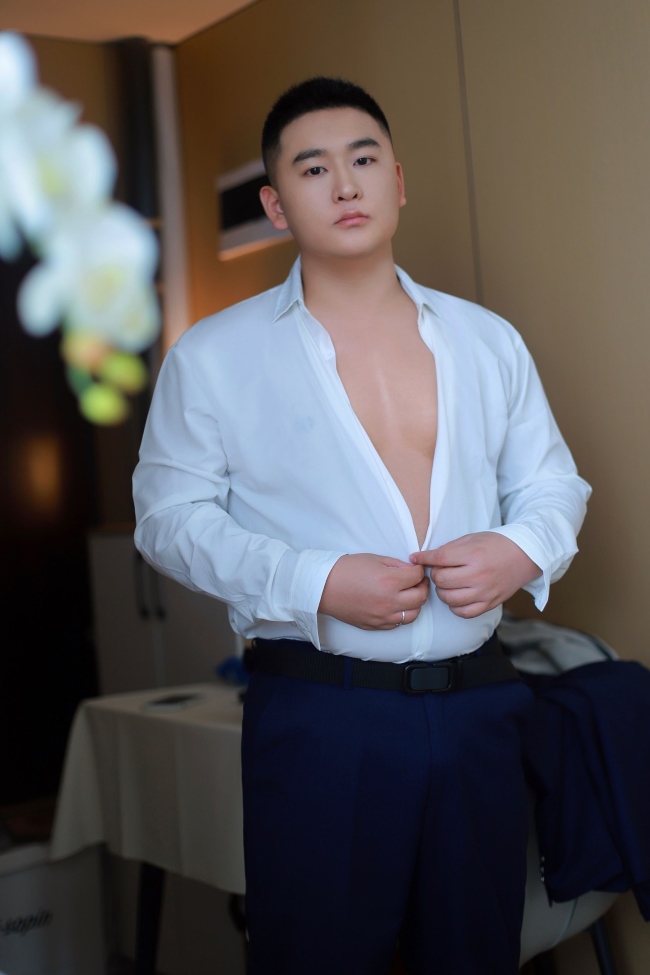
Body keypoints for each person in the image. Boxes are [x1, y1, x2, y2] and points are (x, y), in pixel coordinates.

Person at [133, 77, 591, 975]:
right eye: (313, 168)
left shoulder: (487, 339)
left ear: (398, 181)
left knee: (478, 957)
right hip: (321, 719)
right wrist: (317, 579)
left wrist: (519, 549)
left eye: (364, 159)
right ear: (276, 204)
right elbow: (168, 520)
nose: (344, 185)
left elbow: (553, 483)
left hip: (481, 710)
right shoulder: (214, 356)